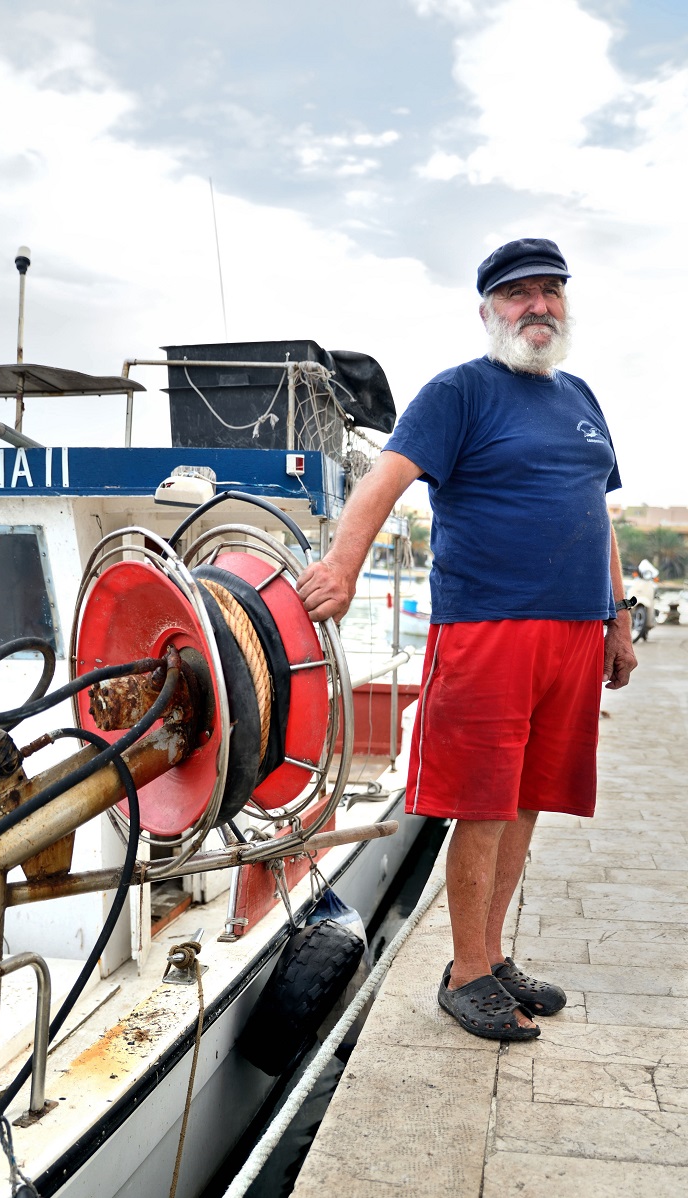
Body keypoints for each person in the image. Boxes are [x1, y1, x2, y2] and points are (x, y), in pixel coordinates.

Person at [297, 237, 637, 1041]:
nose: (538, 307)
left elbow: (599, 515)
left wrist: (617, 619)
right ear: (489, 310)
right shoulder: (459, 392)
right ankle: (466, 973)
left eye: (550, 291)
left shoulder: (581, 396)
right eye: (518, 294)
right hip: (489, 629)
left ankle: (490, 953)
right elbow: (385, 479)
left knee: (526, 801)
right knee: (481, 805)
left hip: (573, 636)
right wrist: (343, 570)